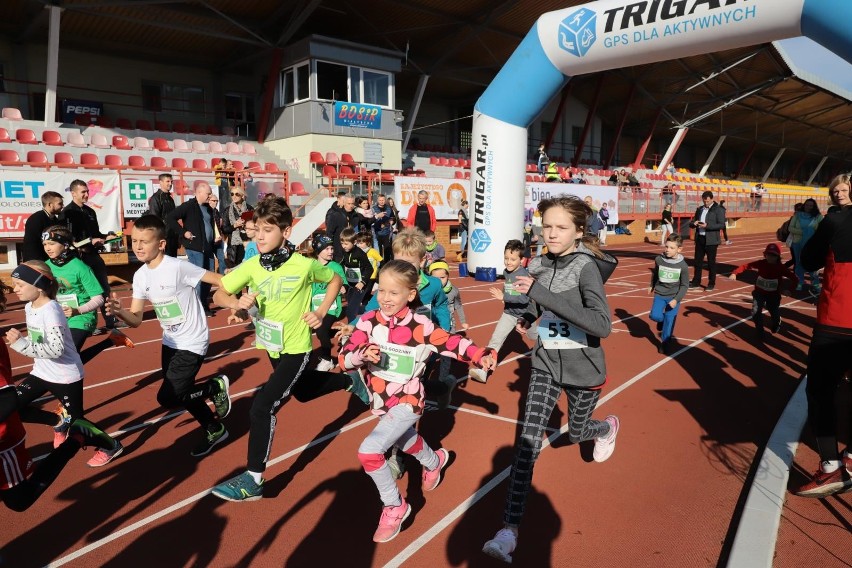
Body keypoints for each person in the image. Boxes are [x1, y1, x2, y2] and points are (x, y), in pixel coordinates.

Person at [482, 195, 619, 563]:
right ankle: (508, 530)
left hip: (584, 370)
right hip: (544, 364)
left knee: (575, 432)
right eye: (547, 226)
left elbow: (601, 325)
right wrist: (527, 313)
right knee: (527, 442)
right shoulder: (540, 264)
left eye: (561, 227)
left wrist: (539, 294)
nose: (552, 233)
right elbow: (533, 306)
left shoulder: (586, 267)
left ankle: (604, 429)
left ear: (578, 231)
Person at [339, 259, 495, 543]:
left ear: (410, 295)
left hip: (408, 399)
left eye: (393, 292)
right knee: (404, 439)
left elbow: (451, 342)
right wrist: (361, 354)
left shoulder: (420, 325)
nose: (385, 298)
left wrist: (478, 354)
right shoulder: (367, 321)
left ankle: (394, 506)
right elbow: (345, 357)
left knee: (369, 452)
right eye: (381, 291)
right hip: (380, 398)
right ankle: (434, 461)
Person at [209, 195, 345, 502]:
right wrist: (236, 303)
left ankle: (254, 479)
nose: (259, 235)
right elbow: (219, 293)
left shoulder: (304, 264)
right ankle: (350, 380)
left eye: (267, 230)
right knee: (303, 391)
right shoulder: (252, 266)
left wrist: (321, 311)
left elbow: (335, 279)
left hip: (297, 346)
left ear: (285, 231)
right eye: (257, 229)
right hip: (272, 347)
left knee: (262, 406)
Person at [105, 215, 231, 457]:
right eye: (134, 241)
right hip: (170, 342)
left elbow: (218, 279)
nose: (138, 246)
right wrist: (121, 312)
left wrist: (235, 300)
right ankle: (214, 429)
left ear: (161, 244)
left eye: (144, 241)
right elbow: (137, 321)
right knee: (182, 393)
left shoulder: (177, 267)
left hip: (193, 340)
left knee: (169, 397)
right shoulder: (140, 276)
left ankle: (214, 387)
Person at [8, 261, 123, 467]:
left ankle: (111, 444)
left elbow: (56, 349)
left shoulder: (51, 310)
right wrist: (26, 344)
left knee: (79, 425)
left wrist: (21, 345)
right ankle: (58, 422)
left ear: (39, 285)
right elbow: (40, 341)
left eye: (20, 284)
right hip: (41, 372)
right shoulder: (29, 306)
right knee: (11, 407)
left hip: (65, 376)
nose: (14, 289)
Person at [794, 202, 852, 497]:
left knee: (820, 391)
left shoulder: (836, 220)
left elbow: (808, 258)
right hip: (837, 319)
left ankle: (831, 467)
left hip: (838, 320)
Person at [42, 225, 133, 357]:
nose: (47, 248)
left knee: (67, 355)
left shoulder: (81, 268)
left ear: (66, 244)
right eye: (44, 244)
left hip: (81, 316)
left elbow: (99, 298)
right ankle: (111, 340)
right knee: (62, 359)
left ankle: (109, 341)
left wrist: (76, 310)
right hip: (58, 316)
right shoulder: (45, 267)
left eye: (51, 244)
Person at [468, 240, 531, 384]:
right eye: (506, 258)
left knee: (538, 339)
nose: (508, 262)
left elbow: (524, 300)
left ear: (522, 260)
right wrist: (505, 297)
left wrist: (504, 297)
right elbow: (507, 287)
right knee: (494, 341)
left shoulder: (523, 276)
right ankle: (483, 371)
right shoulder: (506, 272)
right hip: (509, 314)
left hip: (526, 315)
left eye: (513, 259)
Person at [62, 179, 117, 330]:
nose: (87, 194)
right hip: (79, 258)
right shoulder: (67, 213)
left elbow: (97, 234)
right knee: (86, 293)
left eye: (87, 191)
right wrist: (89, 241)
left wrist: (107, 238)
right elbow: (69, 239)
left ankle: (111, 321)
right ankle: (87, 325)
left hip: (94, 256)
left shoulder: (90, 211)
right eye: (83, 192)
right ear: (73, 194)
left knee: (104, 288)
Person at [167, 180, 216, 315]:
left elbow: (211, 225)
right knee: (198, 278)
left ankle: (203, 304)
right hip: (195, 247)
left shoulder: (208, 208)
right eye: (208, 193)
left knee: (209, 275)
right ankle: (196, 307)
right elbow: (170, 218)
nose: (210, 196)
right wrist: (184, 232)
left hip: (208, 247)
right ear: (199, 192)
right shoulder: (188, 206)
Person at [728, 243, 797, 340]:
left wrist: (790, 290)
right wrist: (735, 273)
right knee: (755, 311)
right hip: (759, 293)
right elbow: (746, 266)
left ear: (778, 257)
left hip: (773, 295)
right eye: (768, 254)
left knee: (773, 311)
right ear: (765, 255)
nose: (770, 257)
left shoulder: (781, 268)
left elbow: (795, 279)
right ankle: (760, 331)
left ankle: (777, 322)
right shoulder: (761, 263)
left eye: (773, 255)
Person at [309, 233, 347, 372]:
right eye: (327, 249)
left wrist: (344, 288)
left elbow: (343, 281)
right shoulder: (311, 265)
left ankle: (327, 359)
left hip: (332, 307)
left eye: (332, 248)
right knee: (317, 331)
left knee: (321, 330)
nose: (331, 251)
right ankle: (344, 333)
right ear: (318, 250)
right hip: (315, 306)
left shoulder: (335, 267)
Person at [648, 235, 689, 354]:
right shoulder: (659, 259)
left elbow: (684, 285)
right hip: (660, 294)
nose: (667, 250)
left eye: (671, 248)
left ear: (679, 249)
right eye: (666, 246)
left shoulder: (683, 266)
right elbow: (655, 274)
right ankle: (660, 321)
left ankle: (665, 343)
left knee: (669, 321)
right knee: (655, 316)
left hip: (674, 297)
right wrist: (651, 285)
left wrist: (676, 299)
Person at [688, 191, 726, 291]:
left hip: (711, 240)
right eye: (704, 201)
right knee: (697, 262)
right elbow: (691, 223)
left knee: (711, 263)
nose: (706, 203)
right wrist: (694, 223)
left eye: (708, 201)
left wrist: (707, 226)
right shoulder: (700, 209)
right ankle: (696, 282)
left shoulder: (718, 209)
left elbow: (722, 224)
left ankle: (711, 283)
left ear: (712, 199)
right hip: (700, 238)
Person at [788, 198, 823, 293]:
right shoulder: (797, 215)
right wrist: (802, 232)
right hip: (797, 242)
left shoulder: (818, 217)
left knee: (812, 263)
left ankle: (815, 283)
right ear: (804, 205)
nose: (809, 207)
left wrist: (812, 234)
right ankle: (799, 282)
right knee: (798, 262)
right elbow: (791, 228)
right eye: (807, 205)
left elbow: (821, 230)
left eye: (811, 205)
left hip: (811, 244)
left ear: (814, 206)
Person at [340, 228, 373, 322]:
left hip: (360, 284)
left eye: (346, 244)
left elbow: (370, 268)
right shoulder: (343, 252)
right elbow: (341, 266)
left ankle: (351, 331)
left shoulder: (360, 254)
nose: (343, 246)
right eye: (342, 243)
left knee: (351, 308)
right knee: (352, 305)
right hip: (349, 284)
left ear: (354, 242)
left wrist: (362, 282)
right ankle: (369, 312)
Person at [427, 261, 467, 333]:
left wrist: (463, 321)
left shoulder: (454, 290)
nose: (439, 281)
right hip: (432, 323)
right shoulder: (427, 291)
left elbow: (458, 306)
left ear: (448, 276)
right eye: (435, 278)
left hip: (449, 324)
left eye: (442, 277)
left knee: (448, 341)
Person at [23, 191, 64, 262]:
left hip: (49, 260)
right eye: (60, 204)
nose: (63, 206)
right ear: (50, 205)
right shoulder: (36, 219)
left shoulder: (55, 219)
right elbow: (34, 244)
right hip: (36, 262)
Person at [147, 173, 178, 256]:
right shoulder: (156, 198)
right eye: (167, 181)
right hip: (163, 238)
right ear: (160, 182)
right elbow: (154, 221)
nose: (170, 184)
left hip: (172, 237)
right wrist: (160, 239)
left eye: (171, 181)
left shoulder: (170, 198)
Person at [222, 186, 253, 268]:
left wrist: (245, 225)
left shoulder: (250, 209)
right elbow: (224, 229)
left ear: (242, 196)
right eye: (232, 194)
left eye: (237, 194)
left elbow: (256, 225)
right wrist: (235, 225)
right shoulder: (228, 210)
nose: (234, 196)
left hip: (247, 242)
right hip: (234, 247)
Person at [326, 194, 362, 262]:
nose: (351, 206)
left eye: (352, 203)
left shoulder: (356, 216)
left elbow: (356, 232)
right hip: (338, 250)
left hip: (352, 250)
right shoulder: (335, 215)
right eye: (348, 203)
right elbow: (329, 233)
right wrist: (329, 248)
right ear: (344, 203)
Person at [355, 231, 383, 305]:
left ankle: (365, 304)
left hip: (371, 276)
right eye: (358, 243)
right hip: (362, 275)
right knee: (362, 290)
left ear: (367, 243)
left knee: (367, 291)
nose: (359, 245)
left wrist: (380, 270)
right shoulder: (357, 252)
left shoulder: (372, 252)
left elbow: (381, 260)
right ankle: (364, 301)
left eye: (361, 243)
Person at [372, 193, 395, 262]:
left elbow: (393, 218)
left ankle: (386, 263)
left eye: (383, 200)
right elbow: (371, 220)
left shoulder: (389, 208)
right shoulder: (373, 209)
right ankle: (379, 264)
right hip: (377, 232)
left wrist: (392, 221)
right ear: (377, 200)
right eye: (380, 200)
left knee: (387, 248)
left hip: (386, 232)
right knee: (378, 250)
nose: (381, 201)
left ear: (385, 200)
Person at [208, 194, 227, 275]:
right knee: (211, 260)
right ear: (209, 201)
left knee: (221, 259)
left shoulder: (217, 212)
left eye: (217, 201)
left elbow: (221, 226)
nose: (215, 202)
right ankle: (211, 278)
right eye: (213, 201)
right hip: (209, 240)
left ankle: (223, 277)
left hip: (218, 240)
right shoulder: (206, 212)